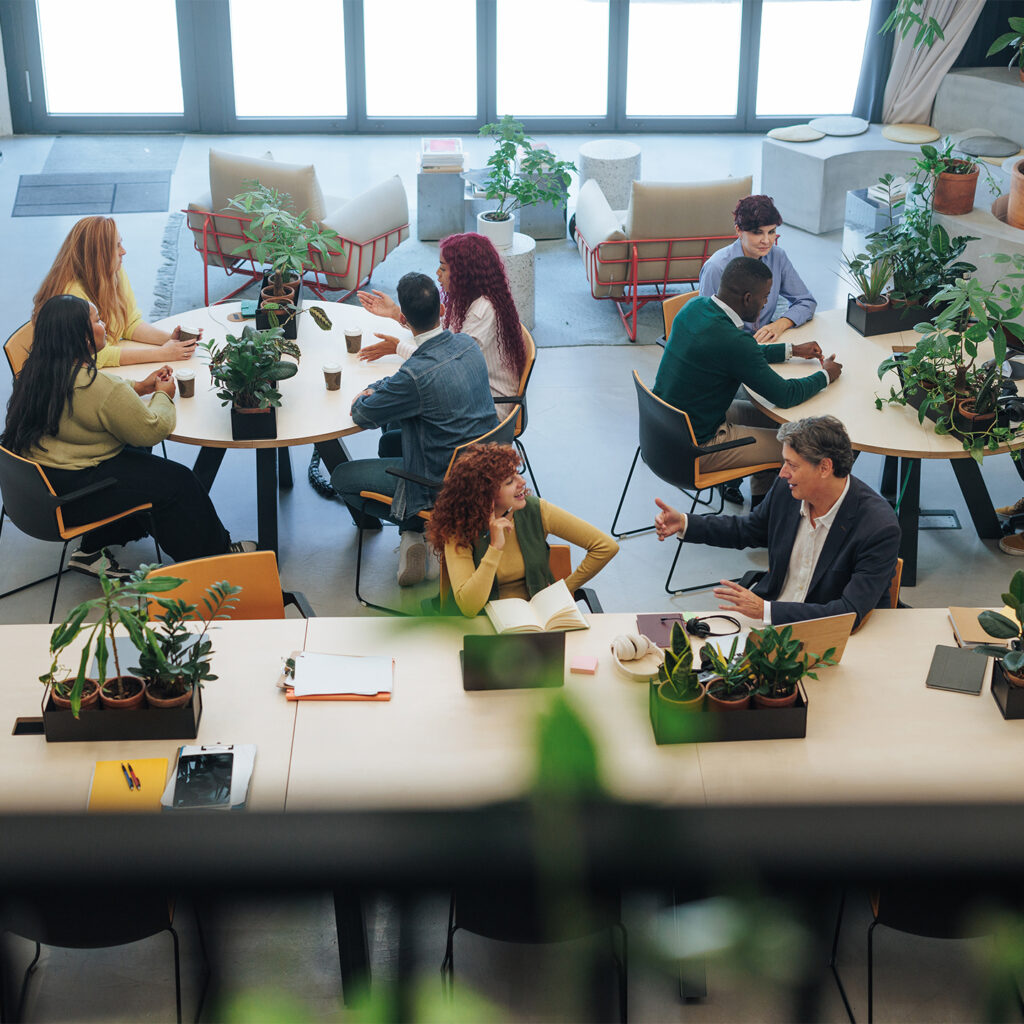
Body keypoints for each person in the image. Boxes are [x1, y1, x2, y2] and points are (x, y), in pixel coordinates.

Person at [1, 295, 253, 579]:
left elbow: (98, 397)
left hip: (40, 485)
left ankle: (93, 549)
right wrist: (162, 394)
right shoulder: (100, 387)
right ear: (82, 338)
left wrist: (140, 386)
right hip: (71, 499)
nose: (104, 324)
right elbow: (152, 429)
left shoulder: (37, 373)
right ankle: (216, 560)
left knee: (141, 458)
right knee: (179, 483)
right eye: (96, 320)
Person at [332, 272, 499, 587]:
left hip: (440, 485)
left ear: (404, 319)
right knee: (392, 439)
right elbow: (404, 382)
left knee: (341, 477)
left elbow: (363, 415)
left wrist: (366, 393)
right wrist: (384, 387)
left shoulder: (414, 378)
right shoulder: (467, 344)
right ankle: (414, 535)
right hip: (482, 470)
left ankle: (426, 528)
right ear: (440, 310)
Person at [654, 415, 901, 628]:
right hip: (770, 615)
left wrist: (767, 611)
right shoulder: (788, 489)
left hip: (823, 634)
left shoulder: (878, 527)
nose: (782, 473)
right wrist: (686, 523)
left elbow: (849, 612)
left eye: (792, 465)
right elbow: (749, 529)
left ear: (825, 467)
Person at [654, 256, 841, 505]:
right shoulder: (733, 341)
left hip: (664, 429)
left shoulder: (694, 307)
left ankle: (761, 500)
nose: (766, 303)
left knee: (777, 422)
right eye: (765, 297)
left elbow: (741, 355)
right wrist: (826, 374)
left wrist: (792, 349)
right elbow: (785, 395)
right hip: (696, 448)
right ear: (747, 299)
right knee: (801, 452)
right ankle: (770, 520)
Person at [427, 443, 618, 617]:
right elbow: (469, 608)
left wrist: (562, 591)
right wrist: (495, 548)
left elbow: (605, 546)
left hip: (538, 619)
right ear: (484, 495)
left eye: (517, 474)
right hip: (483, 624)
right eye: (510, 481)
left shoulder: (535, 510)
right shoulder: (458, 529)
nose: (522, 482)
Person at [356, 231, 526, 398]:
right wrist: (397, 313)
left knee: (406, 398)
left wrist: (398, 347)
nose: (437, 273)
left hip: (489, 405)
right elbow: (438, 336)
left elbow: (446, 366)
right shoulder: (466, 299)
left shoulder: (482, 311)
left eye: (443, 268)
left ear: (464, 274)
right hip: (471, 390)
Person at [32, 216, 199, 369]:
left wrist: (171, 340)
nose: (123, 251)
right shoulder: (71, 296)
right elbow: (92, 356)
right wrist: (161, 353)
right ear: (99, 256)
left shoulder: (113, 272)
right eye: (117, 246)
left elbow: (129, 323)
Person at [698, 194, 816, 343]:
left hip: (765, 343)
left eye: (771, 232)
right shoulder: (716, 267)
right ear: (739, 231)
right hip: (729, 347)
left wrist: (779, 324)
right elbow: (706, 326)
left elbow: (806, 301)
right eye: (757, 232)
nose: (766, 241)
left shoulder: (777, 256)